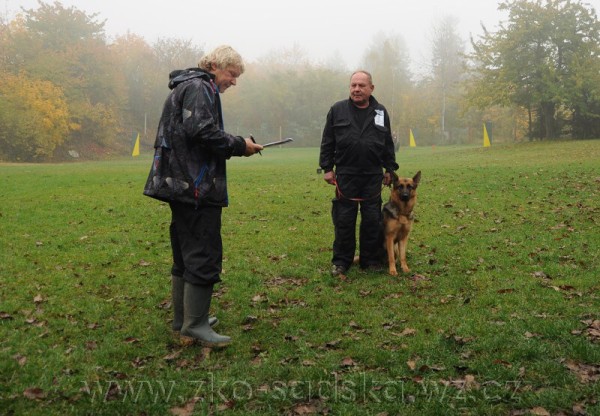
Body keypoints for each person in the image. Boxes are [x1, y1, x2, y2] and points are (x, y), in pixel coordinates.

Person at [143, 45, 263, 347]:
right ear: (213, 65)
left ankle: (184, 319)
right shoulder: (199, 87)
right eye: (231, 74)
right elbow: (202, 131)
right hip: (195, 187)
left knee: (185, 252)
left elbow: (194, 132)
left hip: (180, 183)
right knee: (203, 251)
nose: (234, 81)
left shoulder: (186, 85)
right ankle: (194, 324)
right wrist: (240, 145)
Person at [319, 70, 399, 277]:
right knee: (344, 220)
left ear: (371, 88)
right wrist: (327, 168)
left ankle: (370, 260)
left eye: (361, 85)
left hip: (373, 175)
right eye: (353, 85)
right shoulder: (337, 110)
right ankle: (341, 262)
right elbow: (328, 140)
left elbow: (387, 144)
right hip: (345, 174)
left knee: (372, 220)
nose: (356, 89)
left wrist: (390, 169)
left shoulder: (380, 112)